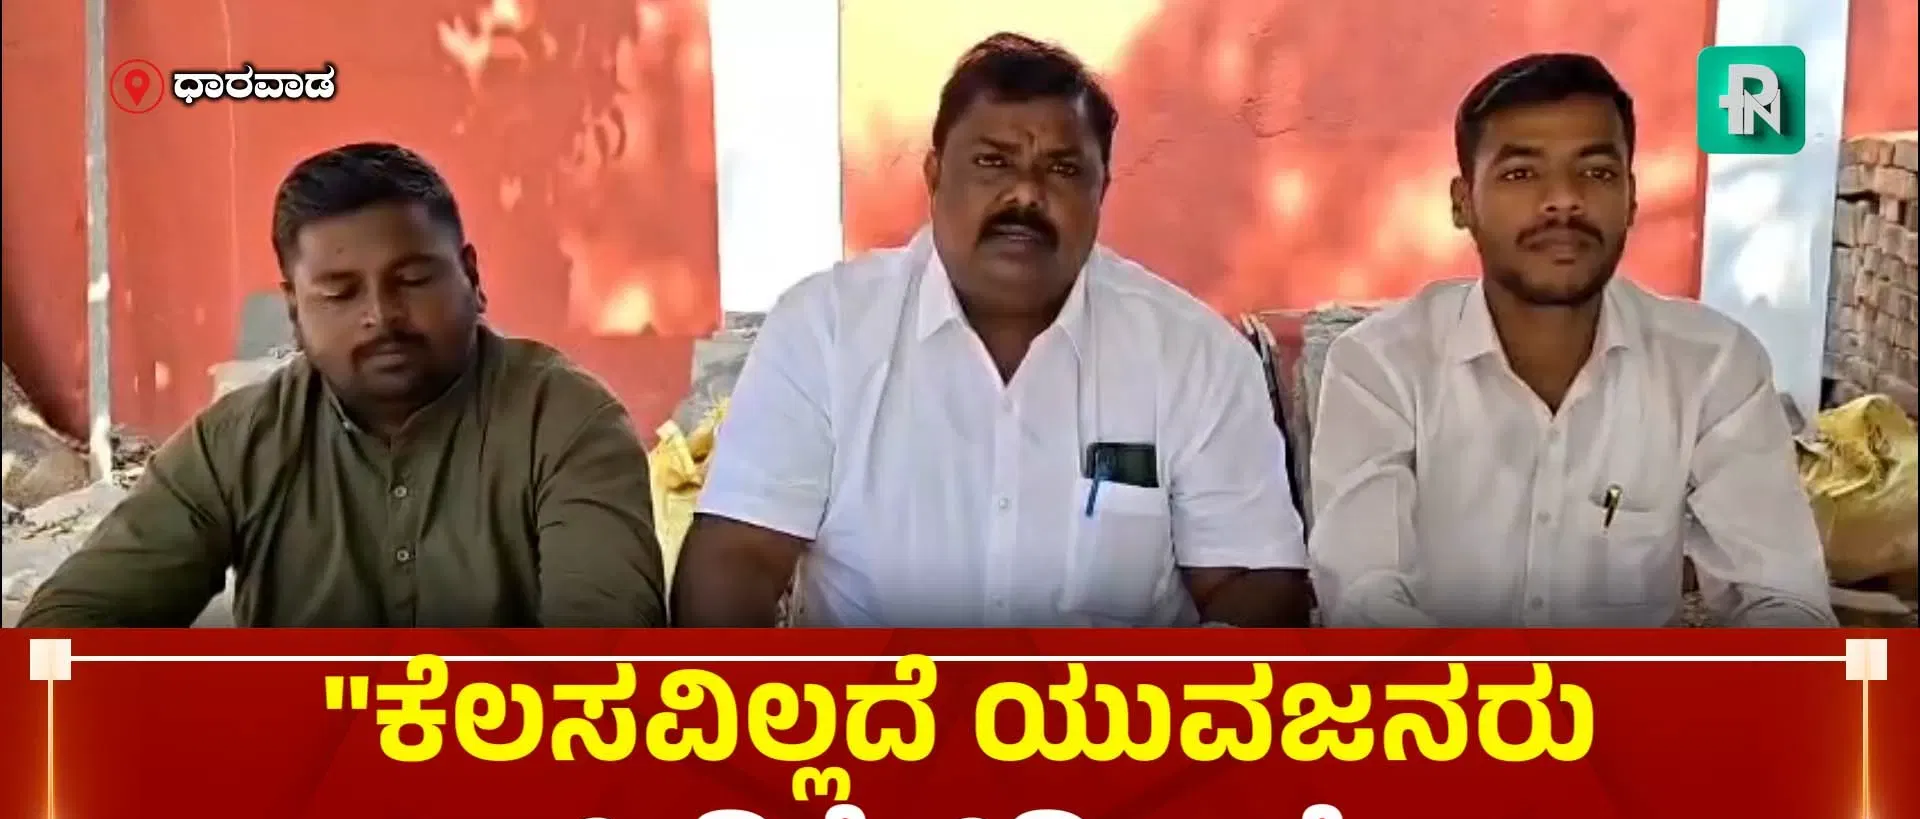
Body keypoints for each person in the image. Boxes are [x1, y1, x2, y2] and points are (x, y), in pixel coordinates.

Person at [675, 33, 1310, 628]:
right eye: (992, 162)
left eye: (1062, 169)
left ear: (1102, 190)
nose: (1025, 194)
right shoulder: (826, 330)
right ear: (933, 177)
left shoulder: (1195, 355)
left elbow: (1254, 583)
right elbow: (737, 557)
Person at [18, 143, 666, 628]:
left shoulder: (565, 422)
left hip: (506, 753)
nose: (381, 316)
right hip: (289, 761)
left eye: (413, 280)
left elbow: (605, 655)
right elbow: (67, 628)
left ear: (471, 277)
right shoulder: (237, 442)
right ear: (295, 309)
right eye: (339, 293)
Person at [1307, 54, 1834, 627]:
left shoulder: (1712, 365)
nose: (1563, 199)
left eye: (1597, 172)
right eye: (1521, 174)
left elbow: (1784, 599)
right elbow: (1364, 599)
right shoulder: (1381, 366)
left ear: (1631, 197)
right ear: (1463, 203)